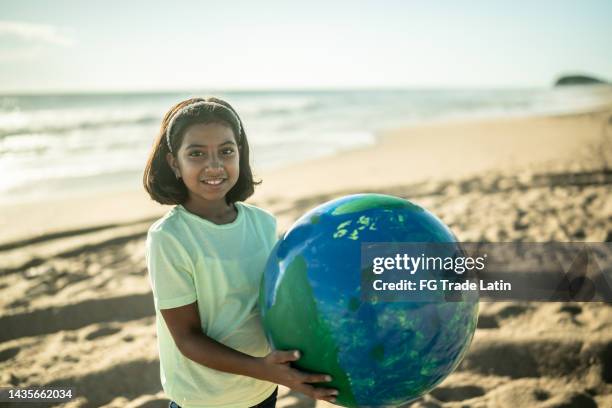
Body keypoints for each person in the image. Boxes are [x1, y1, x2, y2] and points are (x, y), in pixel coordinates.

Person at [143, 97, 337, 408]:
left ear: (240, 154)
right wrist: (264, 369)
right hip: (203, 398)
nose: (214, 165)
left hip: (262, 389)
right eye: (196, 154)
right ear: (174, 163)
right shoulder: (170, 238)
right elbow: (187, 338)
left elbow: (276, 303)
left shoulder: (263, 223)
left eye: (226, 151)